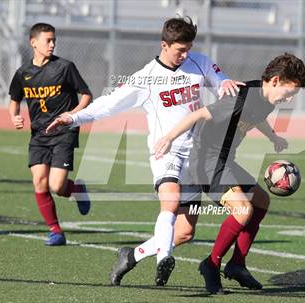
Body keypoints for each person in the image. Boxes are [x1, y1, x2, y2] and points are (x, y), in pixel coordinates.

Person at [45, 16, 242, 286]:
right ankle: (164, 258)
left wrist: (225, 83)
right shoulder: (146, 78)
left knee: (184, 232)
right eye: (179, 50)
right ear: (164, 44)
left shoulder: (199, 61)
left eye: (188, 49)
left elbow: (219, 79)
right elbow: (109, 104)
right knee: (170, 202)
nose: (185, 55)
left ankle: (132, 255)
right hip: (166, 152)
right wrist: (73, 117)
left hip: (196, 157)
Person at [154, 53, 305, 294]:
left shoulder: (266, 98)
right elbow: (198, 115)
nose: (289, 98)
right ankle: (211, 264)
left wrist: (273, 136)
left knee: (261, 201)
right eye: (290, 93)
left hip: (225, 161)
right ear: (276, 81)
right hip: (206, 163)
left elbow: (257, 118)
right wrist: (168, 138)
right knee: (243, 210)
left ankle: (237, 264)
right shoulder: (240, 97)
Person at [8, 23, 92, 246]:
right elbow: (14, 101)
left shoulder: (65, 67)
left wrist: (72, 115)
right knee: (39, 181)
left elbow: (86, 95)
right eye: (48, 40)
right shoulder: (23, 74)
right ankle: (55, 231)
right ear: (33, 42)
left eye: (54, 40)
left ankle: (77, 190)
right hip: (38, 135)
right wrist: (14, 116)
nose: (52, 44)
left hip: (64, 131)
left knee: (56, 186)